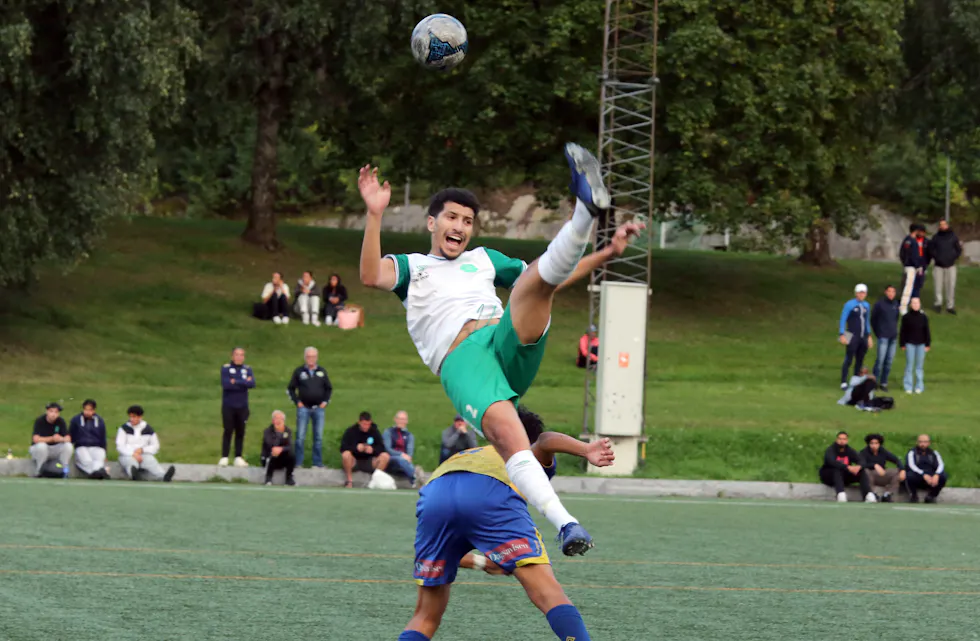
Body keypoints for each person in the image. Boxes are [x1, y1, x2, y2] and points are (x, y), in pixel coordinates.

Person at [358, 143, 642, 555]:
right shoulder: (413, 267)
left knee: (533, 283)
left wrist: (608, 252)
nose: (460, 226)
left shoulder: (484, 260)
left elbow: (548, 276)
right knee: (511, 435)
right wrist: (374, 213)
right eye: (452, 217)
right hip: (463, 361)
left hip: (505, 340)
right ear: (432, 223)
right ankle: (567, 524)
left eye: (468, 221)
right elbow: (369, 275)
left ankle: (586, 210)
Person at [396, 406, 615, 641]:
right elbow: (545, 440)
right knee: (549, 594)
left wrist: (480, 562)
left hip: (434, 494)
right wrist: (585, 449)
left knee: (426, 615)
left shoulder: (469, 454)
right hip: (490, 492)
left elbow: (446, 551)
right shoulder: (520, 452)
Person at [286, 346, 333, 468]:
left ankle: (317, 463)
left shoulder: (322, 372)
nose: (310, 359)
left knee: (318, 436)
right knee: (300, 436)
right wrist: (298, 402)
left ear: (316, 358)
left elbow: (329, 388)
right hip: (303, 408)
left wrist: (325, 402)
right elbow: (290, 388)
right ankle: (298, 463)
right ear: (305, 357)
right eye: (308, 356)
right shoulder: (299, 371)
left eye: (312, 357)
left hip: (319, 408)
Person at [115, 405, 176, 482]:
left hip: (143, 454)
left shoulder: (148, 429)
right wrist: (133, 454)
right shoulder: (123, 429)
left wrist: (142, 450)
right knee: (131, 463)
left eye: (134, 417)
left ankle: (163, 476)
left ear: (140, 417)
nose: (131, 419)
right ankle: (134, 475)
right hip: (127, 455)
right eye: (130, 417)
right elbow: (120, 446)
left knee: (151, 461)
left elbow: (155, 446)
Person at [219, 347, 255, 467]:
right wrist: (243, 382)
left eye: (241, 355)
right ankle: (224, 456)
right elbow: (226, 384)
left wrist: (237, 381)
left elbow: (252, 384)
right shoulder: (226, 368)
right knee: (228, 430)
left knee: (241, 431)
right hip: (229, 405)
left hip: (243, 406)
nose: (239, 357)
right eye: (237, 355)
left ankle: (238, 457)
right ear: (232, 356)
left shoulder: (247, 369)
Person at [818, 431, 875, 503]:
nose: (842, 441)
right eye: (840, 439)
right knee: (837, 469)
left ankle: (868, 495)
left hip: (844, 477)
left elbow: (861, 460)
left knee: (862, 472)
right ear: (836, 440)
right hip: (829, 477)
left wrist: (858, 467)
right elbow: (831, 462)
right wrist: (848, 467)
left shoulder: (849, 450)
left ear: (847, 440)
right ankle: (841, 494)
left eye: (844, 439)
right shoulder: (831, 450)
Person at [340, 411, 390, 488]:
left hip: (369, 461)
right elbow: (343, 447)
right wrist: (356, 448)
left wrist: (372, 449)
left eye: (368, 424)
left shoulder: (374, 431)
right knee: (346, 455)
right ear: (359, 422)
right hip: (354, 461)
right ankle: (349, 481)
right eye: (364, 424)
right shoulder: (351, 431)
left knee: (385, 456)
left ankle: (374, 481)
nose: (366, 427)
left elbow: (381, 448)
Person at [837, 283, 873, 390]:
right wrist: (842, 334)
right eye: (860, 293)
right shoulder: (849, 304)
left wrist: (869, 335)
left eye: (864, 293)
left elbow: (866, 321)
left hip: (863, 336)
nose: (862, 295)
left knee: (860, 359)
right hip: (851, 334)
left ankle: (856, 380)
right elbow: (843, 319)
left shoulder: (867, 305)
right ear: (856, 293)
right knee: (849, 358)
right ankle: (843, 381)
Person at [30, 402, 73, 477]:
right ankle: (39, 471)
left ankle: (64, 470)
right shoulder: (40, 421)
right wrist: (51, 439)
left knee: (68, 446)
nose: (53, 414)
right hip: (39, 449)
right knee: (41, 447)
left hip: (55, 448)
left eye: (56, 412)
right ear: (47, 412)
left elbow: (68, 438)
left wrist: (60, 439)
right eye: (51, 411)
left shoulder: (61, 421)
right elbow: (35, 439)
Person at [858, 433, 905, 502]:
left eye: (876, 443)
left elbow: (896, 460)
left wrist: (902, 470)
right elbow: (861, 464)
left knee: (896, 472)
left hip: (882, 474)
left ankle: (888, 494)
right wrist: (874, 465)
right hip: (871, 475)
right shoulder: (863, 452)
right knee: (865, 472)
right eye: (872, 443)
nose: (874, 445)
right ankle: (872, 494)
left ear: (879, 444)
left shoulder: (883, 451)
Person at [69, 399, 109, 479]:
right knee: (86, 460)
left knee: (99, 459)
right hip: (81, 446)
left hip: (96, 447)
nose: (87, 412)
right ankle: (100, 472)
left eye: (90, 410)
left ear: (94, 410)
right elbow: (71, 435)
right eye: (85, 409)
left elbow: (103, 437)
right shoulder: (75, 420)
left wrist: (105, 451)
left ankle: (97, 473)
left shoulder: (100, 421)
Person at [870, 284, 899, 392]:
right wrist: (878, 332)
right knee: (880, 360)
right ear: (885, 292)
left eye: (893, 292)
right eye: (889, 291)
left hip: (893, 337)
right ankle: (874, 382)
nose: (891, 294)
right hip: (883, 336)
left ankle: (883, 382)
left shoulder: (896, 304)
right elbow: (873, 319)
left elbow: (896, 318)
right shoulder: (880, 304)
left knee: (889, 361)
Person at [930, 219, 962, 314]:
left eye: (944, 224)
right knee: (938, 286)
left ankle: (950, 306)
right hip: (938, 265)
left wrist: (953, 257)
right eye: (941, 225)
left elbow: (958, 249)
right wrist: (936, 257)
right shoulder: (936, 237)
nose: (943, 226)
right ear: (939, 226)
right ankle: (938, 304)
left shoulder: (953, 237)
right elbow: (931, 249)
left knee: (951, 286)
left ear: (947, 225)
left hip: (951, 265)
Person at [899, 297, 931, 394]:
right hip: (910, 344)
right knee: (909, 365)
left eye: (917, 303)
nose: (915, 305)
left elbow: (927, 331)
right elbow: (903, 331)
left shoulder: (923, 317)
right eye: (913, 303)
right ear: (910, 305)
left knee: (919, 366)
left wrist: (927, 344)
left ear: (919, 304)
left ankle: (919, 386)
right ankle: (908, 386)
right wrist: (902, 343)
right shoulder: (906, 317)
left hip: (921, 344)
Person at [905, 434, 946, 503]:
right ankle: (913, 495)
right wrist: (923, 474)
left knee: (943, 476)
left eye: (925, 442)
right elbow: (911, 466)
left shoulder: (934, 453)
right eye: (920, 442)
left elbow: (941, 465)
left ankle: (931, 496)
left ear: (929, 443)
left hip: (931, 477)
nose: (922, 444)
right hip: (918, 476)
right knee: (909, 475)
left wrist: (937, 474)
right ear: (917, 442)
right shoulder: (912, 453)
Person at [899, 223, 930, 315]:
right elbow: (909, 255)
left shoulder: (912, 240)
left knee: (915, 287)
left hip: (915, 266)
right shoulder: (909, 241)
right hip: (911, 267)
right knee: (908, 287)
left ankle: (915, 306)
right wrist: (914, 264)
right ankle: (903, 306)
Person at [261, 410, 296, 486]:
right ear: (273, 420)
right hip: (270, 457)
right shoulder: (267, 431)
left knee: (291, 455)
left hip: (282, 457)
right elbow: (270, 444)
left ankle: (289, 478)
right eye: (276, 419)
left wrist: (281, 449)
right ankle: (268, 477)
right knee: (274, 452)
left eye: (281, 419)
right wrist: (279, 436)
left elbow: (289, 446)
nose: (278, 421)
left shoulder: (288, 431)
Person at [383, 410, 417, 485]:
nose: (401, 421)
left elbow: (409, 453)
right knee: (400, 459)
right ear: (395, 419)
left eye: (403, 419)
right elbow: (388, 449)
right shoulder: (388, 432)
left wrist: (407, 457)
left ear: (406, 421)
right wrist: (401, 454)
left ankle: (414, 477)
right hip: (391, 460)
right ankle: (414, 477)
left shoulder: (409, 435)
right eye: (399, 419)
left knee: (405, 460)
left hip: (404, 461)